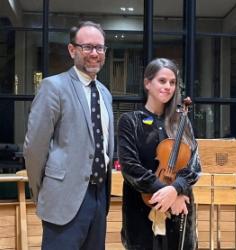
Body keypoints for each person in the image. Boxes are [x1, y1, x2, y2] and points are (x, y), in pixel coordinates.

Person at [23, 21, 114, 250]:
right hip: (63, 199)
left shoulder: (105, 93)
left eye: (100, 48)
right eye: (88, 47)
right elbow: (34, 148)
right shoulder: (53, 87)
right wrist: (43, 192)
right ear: (72, 50)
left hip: (99, 196)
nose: (95, 53)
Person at [117, 58, 201, 250]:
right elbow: (131, 168)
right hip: (140, 209)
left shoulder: (182, 121)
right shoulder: (130, 121)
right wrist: (167, 192)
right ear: (148, 83)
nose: (168, 87)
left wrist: (176, 190)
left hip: (180, 207)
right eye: (162, 81)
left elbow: (194, 166)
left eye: (172, 82)